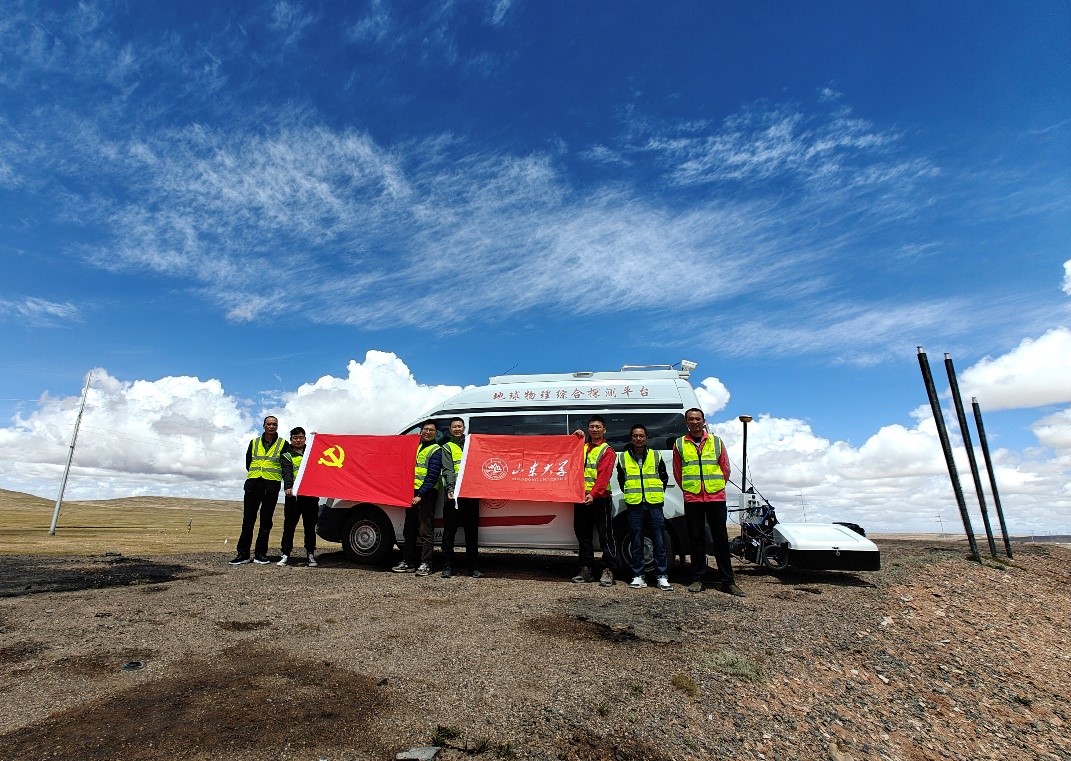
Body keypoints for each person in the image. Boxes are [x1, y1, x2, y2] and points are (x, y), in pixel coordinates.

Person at [673, 408, 745, 596]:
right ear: (686, 422)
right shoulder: (679, 444)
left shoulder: (716, 441)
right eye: (691, 419)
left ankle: (727, 582)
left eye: (697, 419)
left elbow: (725, 469)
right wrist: (689, 489)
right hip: (693, 497)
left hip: (715, 497)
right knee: (696, 539)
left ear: (703, 421)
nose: (694, 422)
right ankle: (698, 579)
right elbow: (678, 472)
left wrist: (716, 487)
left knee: (720, 540)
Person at [616, 423, 672, 591]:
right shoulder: (623, 457)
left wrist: (654, 494)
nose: (638, 439)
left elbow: (664, 477)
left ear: (646, 438)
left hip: (654, 504)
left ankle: (662, 576)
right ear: (631, 438)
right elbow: (621, 480)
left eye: (641, 436)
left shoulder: (656, 455)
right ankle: (638, 575)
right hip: (634, 505)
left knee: (659, 541)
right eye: (635, 436)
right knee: (636, 541)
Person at [231, 415, 288, 565]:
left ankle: (260, 554)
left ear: (277, 426)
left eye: (274, 424)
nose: (271, 426)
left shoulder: (283, 444)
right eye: (269, 424)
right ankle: (243, 554)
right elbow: (248, 463)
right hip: (254, 484)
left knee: (266, 521)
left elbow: (286, 465)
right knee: (248, 520)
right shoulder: (254, 442)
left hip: (271, 485)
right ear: (264, 426)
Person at [571, 415, 618, 586]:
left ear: (604, 429)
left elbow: (603, 477)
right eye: (591, 426)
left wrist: (594, 494)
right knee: (583, 536)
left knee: (606, 537)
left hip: (600, 499)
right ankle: (586, 569)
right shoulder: (582, 447)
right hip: (580, 498)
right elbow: (566, 456)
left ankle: (609, 570)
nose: (594, 429)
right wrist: (573, 438)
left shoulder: (607, 451)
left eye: (598, 426)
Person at [392, 420, 442, 576]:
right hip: (411, 493)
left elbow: (432, 475)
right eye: (425, 429)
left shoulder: (436, 449)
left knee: (425, 529)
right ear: (421, 431)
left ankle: (426, 563)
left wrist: (420, 495)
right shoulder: (417, 447)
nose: (428, 432)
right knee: (409, 529)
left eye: (431, 430)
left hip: (427, 494)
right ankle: (408, 562)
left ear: (436, 433)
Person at [440, 417, 483, 579]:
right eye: (454, 427)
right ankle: (447, 566)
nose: (457, 429)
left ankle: (473, 568)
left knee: (472, 534)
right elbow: (448, 470)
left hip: (471, 494)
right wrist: (450, 489)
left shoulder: (472, 444)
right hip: (453, 496)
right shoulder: (447, 447)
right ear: (450, 430)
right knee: (448, 533)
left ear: (464, 428)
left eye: (459, 426)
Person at [278, 427, 319, 568]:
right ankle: (285, 554)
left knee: (310, 527)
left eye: (301, 437)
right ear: (291, 440)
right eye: (295, 438)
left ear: (305, 439)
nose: (298, 440)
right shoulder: (286, 455)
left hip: (310, 496)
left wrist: (318, 439)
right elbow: (287, 472)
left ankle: (310, 554)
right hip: (293, 496)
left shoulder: (312, 453)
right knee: (289, 526)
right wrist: (288, 487)